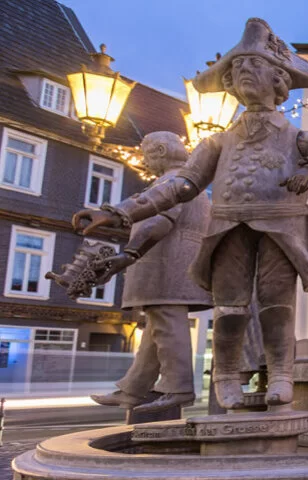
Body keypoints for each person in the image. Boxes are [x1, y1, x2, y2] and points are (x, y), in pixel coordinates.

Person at [73, 18, 308, 409]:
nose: (243, 74)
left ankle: (281, 372)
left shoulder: (295, 137)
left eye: (254, 67)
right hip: (227, 225)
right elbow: (181, 185)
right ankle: (225, 375)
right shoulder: (218, 142)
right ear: (230, 86)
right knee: (230, 303)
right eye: (237, 69)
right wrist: (119, 211)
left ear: (279, 82)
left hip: (280, 224)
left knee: (277, 301)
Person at [82, 132, 211, 413]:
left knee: (167, 322)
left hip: (166, 263)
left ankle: (178, 386)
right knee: (156, 329)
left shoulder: (172, 182)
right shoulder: (189, 182)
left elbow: (160, 222)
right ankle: (133, 389)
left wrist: (129, 254)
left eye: (147, 154)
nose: (144, 161)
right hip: (175, 263)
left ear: (161, 150)